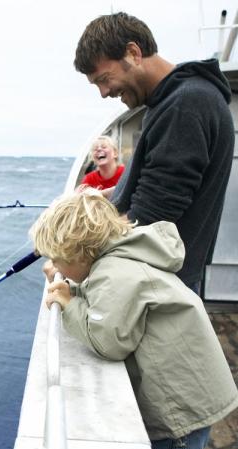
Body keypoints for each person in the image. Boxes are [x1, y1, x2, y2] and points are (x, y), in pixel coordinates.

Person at [30, 192, 238, 449]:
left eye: (59, 258)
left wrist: (67, 302)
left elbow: (109, 341)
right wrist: (74, 288)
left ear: (82, 251)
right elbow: (111, 307)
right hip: (191, 395)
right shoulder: (123, 259)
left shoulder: (117, 272)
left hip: (180, 412)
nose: (54, 266)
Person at [74, 12, 234, 291]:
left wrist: (74, 254)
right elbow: (156, 182)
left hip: (161, 287)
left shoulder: (185, 105)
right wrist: (103, 195)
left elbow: (151, 216)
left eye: (104, 78)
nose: (103, 92)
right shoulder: (172, 101)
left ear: (133, 53)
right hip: (161, 278)